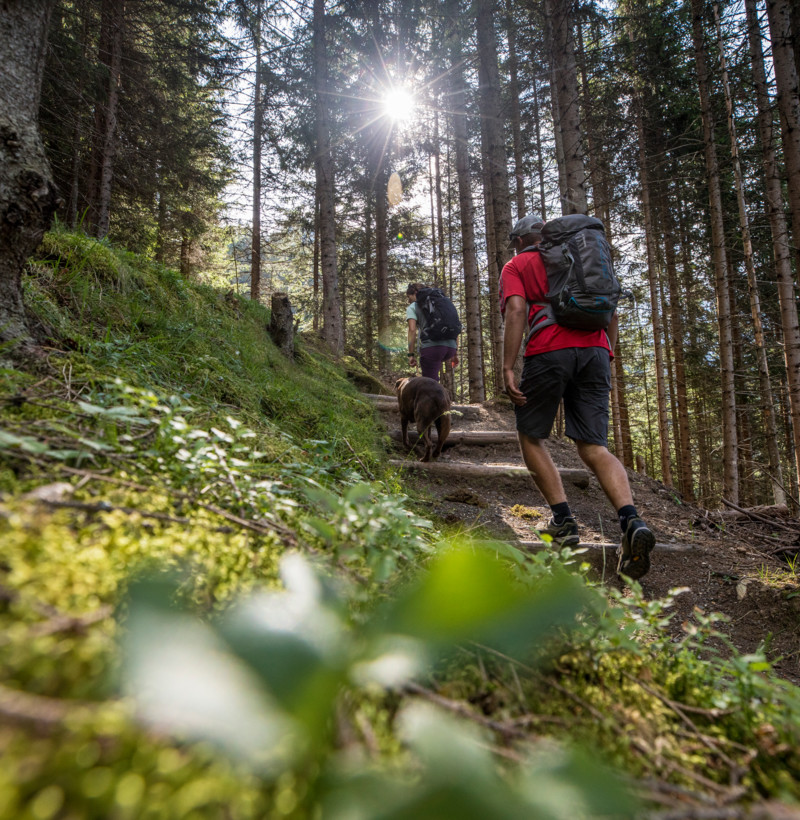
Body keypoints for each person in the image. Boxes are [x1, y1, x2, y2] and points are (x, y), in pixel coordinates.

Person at [500, 214, 655, 580]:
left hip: (548, 351)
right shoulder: (586, 259)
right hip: (597, 352)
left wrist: (508, 366)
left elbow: (517, 310)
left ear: (521, 240)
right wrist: (608, 356)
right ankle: (631, 521)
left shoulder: (518, 263)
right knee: (594, 445)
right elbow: (611, 309)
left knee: (531, 435)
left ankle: (564, 522)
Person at [406, 283, 459, 382]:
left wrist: (411, 355)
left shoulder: (413, 306)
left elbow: (412, 330)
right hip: (451, 348)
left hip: (432, 348)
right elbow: (453, 324)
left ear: (414, 293)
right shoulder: (443, 303)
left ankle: (441, 397)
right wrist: (455, 353)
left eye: (409, 297)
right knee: (433, 383)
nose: (409, 301)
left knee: (430, 385)